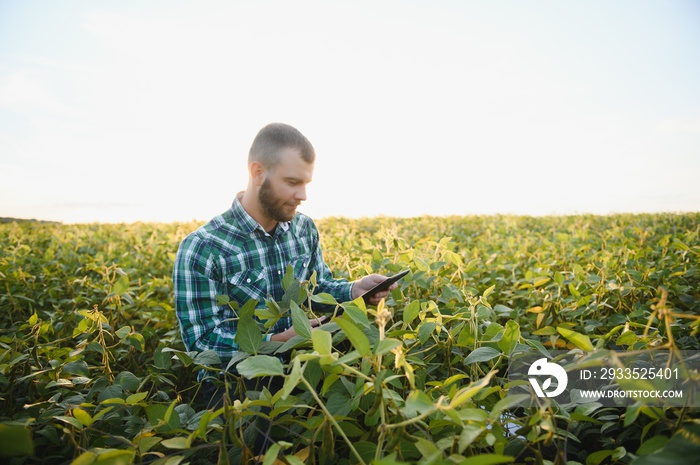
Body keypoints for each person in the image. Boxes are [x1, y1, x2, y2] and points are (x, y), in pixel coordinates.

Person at [172, 122, 396, 454]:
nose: (302, 196)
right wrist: (275, 343)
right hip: (238, 389)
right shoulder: (203, 247)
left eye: (306, 183)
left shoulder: (303, 228)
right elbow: (201, 344)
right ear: (258, 172)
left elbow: (318, 288)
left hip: (305, 365)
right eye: (292, 183)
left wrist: (353, 290)